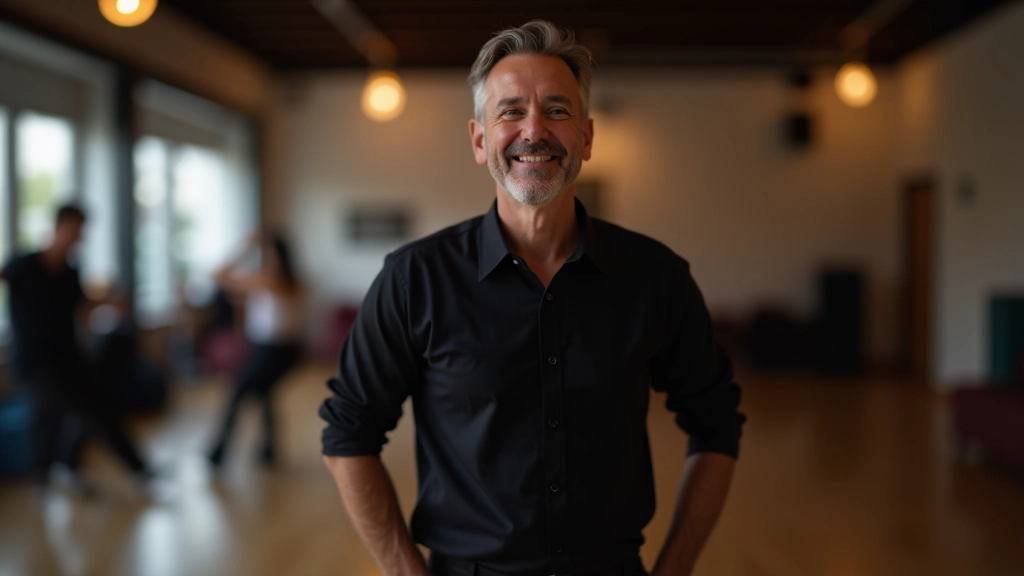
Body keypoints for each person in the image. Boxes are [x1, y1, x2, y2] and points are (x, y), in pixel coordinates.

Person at [319, 20, 746, 576]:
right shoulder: (413, 280)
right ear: (479, 140)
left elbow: (717, 423)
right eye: (511, 110)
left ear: (587, 138)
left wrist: (675, 567)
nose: (534, 130)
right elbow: (348, 433)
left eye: (558, 110)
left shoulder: (654, 277)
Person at [0, 204, 153, 493]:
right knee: (78, 409)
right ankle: (131, 470)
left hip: (67, 357)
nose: (80, 236)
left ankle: (58, 471)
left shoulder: (70, 273)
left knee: (70, 412)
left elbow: (81, 306)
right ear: (61, 227)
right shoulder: (24, 265)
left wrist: (110, 303)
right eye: (77, 229)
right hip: (34, 363)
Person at [207, 231, 303, 467]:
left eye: (268, 254)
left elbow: (219, 275)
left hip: (277, 351)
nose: (265, 259)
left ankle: (219, 452)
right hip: (266, 349)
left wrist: (245, 249)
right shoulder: (269, 282)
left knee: (238, 393)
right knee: (263, 394)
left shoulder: (276, 281)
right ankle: (269, 451)